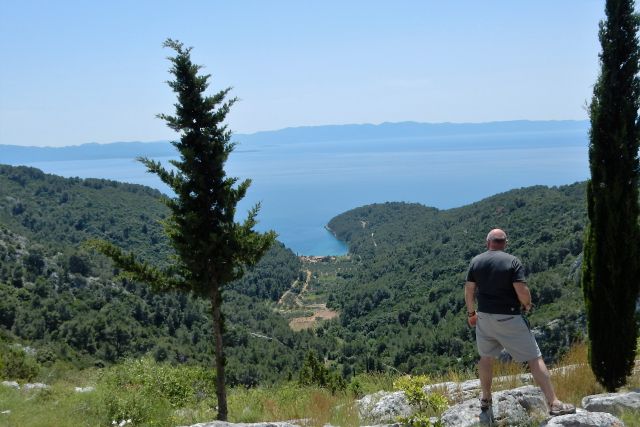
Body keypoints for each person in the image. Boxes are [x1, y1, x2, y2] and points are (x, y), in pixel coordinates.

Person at [464, 228, 575, 417]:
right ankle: (554, 403)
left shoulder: (476, 261)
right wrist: (527, 304)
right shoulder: (512, 261)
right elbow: (522, 290)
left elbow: (469, 291)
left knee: (486, 358)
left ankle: (485, 398)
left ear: (487, 242)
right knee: (534, 357)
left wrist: (471, 313)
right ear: (505, 243)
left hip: (484, 318)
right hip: (509, 317)